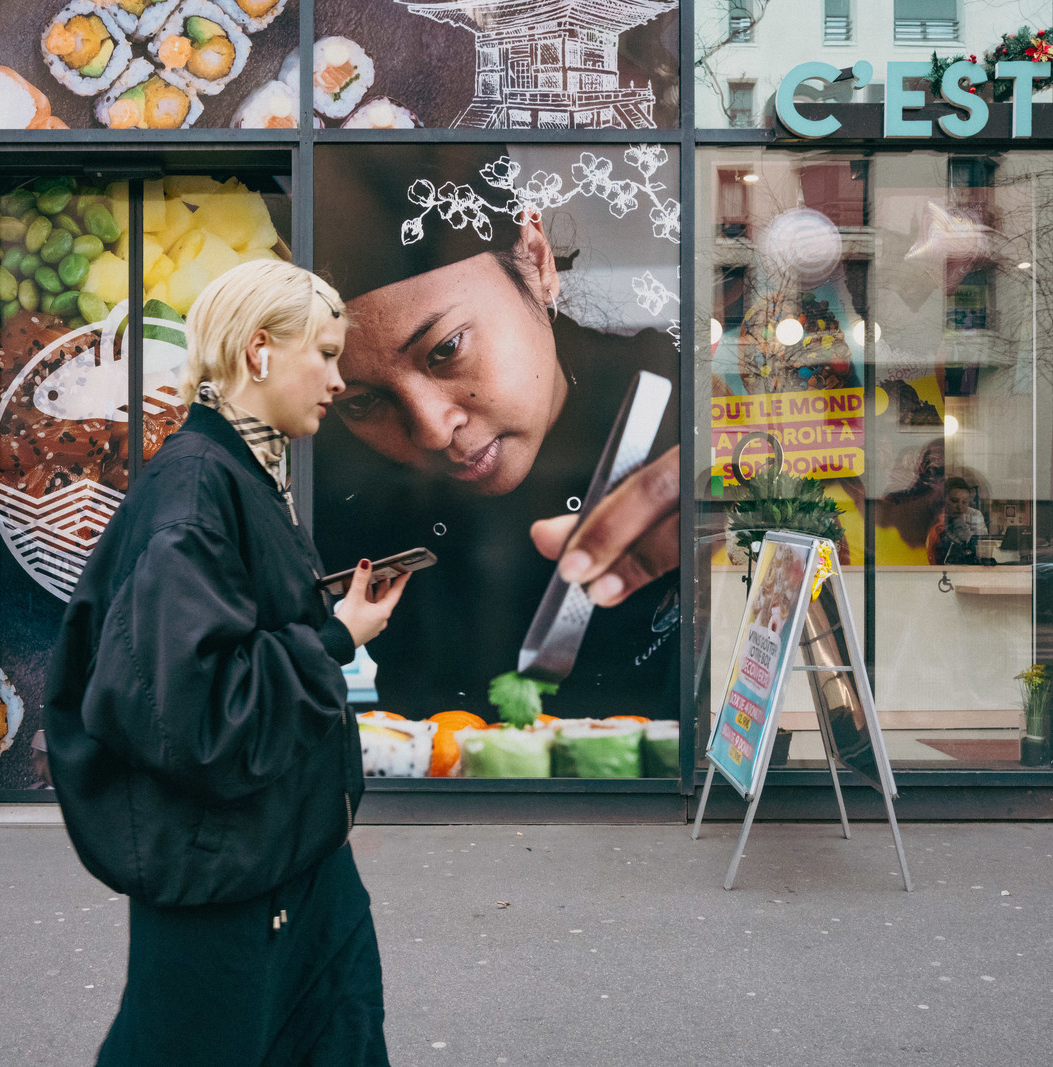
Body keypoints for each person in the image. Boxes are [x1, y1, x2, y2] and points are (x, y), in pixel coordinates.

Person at [43, 260, 408, 1066]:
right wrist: (338, 637)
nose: (340, 380)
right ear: (257, 352)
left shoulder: (241, 472)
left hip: (281, 858)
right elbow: (195, 712)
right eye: (325, 353)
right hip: (230, 880)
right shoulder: (196, 490)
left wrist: (328, 617)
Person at [312, 143, 682, 723]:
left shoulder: (683, 409)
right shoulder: (345, 512)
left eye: (447, 349)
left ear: (536, 260)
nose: (432, 431)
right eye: (361, 402)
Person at [930, 476, 988, 564]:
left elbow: (981, 546)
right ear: (944, 500)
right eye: (954, 501)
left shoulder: (975, 515)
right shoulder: (937, 516)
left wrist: (960, 523)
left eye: (964, 502)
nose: (960, 507)